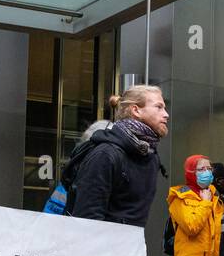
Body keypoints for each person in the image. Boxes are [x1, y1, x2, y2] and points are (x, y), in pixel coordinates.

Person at [68, 86, 169, 226]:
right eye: (159, 107)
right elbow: (87, 219)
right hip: (103, 246)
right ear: (136, 110)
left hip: (131, 245)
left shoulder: (150, 155)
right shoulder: (106, 154)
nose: (166, 114)